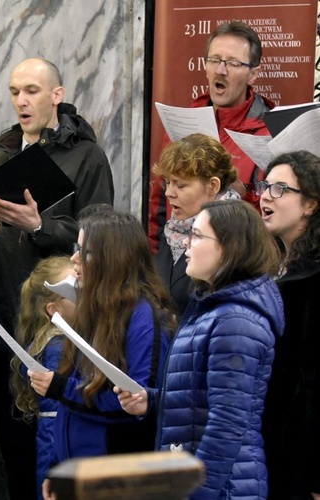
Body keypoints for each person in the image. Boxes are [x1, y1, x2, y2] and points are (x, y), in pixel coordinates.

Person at [0, 57, 115, 499]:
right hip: (3, 314)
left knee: (53, 442)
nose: (22, 101)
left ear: (56, 95)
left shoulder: (87, 154)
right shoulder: (3, 150)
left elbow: (99, 234)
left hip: (58, 318)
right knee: (9, 447)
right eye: (15, 92)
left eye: (32, 91)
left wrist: (39, 226)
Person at [117, 199, 284, 499]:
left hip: (225, 488)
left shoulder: (236, 319)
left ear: (230, 247)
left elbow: (227, 423)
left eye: (197, 235)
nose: (187, 245)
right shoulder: (212, 308)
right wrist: (152, 401)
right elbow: (200, 397)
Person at [29, 210, 174, 498]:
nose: (74, 259)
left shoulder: (144, 317)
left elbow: (133, 404)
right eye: (76, 249)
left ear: (112, 260)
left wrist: (60, 388)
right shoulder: (95, 309)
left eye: (85, 252)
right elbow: (73, 405)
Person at [149, 20, 275, 249]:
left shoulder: (270, 133)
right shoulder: (183, 123)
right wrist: (155, 259)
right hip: (176, 264)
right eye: (214, 60)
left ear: (253, 74)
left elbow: (275, 221)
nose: (220, 70)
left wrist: (241, 194)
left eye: (233, 63)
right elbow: (160, 204)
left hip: (234, 264)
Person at [258, 151, 320, 500]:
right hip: (272, 445)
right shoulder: (272, 270)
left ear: (310, 204)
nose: (266, 195)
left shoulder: (314, 278)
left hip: (302, 455)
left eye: (280, 188)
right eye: (265, 186)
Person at [9, 255, 76, 500]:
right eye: (73, 289)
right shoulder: (59, 345)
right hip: (56, 437)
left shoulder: (47, 340)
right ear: (53, 309)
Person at [153, 133, 240, 316]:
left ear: (213, 186)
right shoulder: (173, 229)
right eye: (168, 183)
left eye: (180, 185)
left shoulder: (234, 238)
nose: (169, 193)